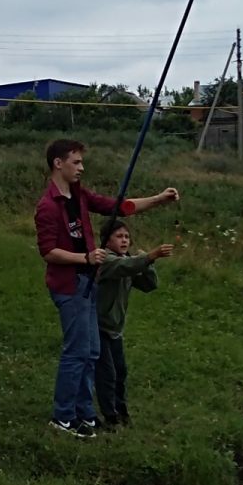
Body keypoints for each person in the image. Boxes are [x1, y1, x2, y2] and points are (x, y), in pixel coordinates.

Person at [33, 137, 177, 439]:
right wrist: (84, 257)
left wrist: (159, 199)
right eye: (76, 162)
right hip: (68, 285)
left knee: (92, 352)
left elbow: (120, 207)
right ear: (58, 163)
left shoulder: (80, 195)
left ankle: (86, 414)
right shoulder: (48, 206)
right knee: (76, 352)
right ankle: (62, 417)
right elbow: (47, 251)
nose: (81, 168)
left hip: (89, 281)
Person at [94, 217, 173, 429]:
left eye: (127, 236)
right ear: (106, 240)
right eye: (119, 236)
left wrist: (148, 264)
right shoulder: (105, 261)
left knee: (121, 372)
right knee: (107, 374)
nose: (124, 240)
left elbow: (149, 285)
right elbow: (124, 266)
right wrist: (149, 256)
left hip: (116, 329)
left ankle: (122, 412)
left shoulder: (127, 261)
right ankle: (109, 417)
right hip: (98, 326)